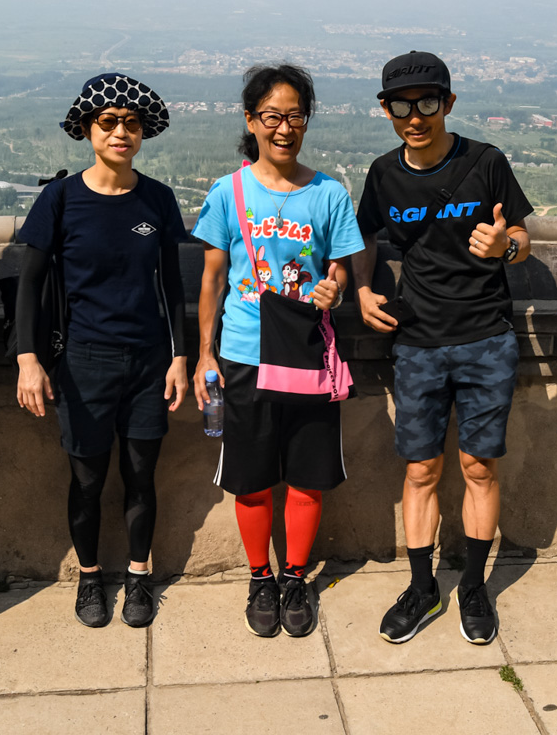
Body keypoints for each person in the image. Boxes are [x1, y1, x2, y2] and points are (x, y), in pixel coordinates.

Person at [352, 51, 533, 646]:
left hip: (486, 338)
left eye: (428, 102)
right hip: (419, 343)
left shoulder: (485, 162)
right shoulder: (383, 174)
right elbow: (365, 236)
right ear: (386, 110)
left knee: (479, 466)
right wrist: (359, 289)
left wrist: (505, 245)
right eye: (402, 105)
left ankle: (475, 585)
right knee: (421, 468)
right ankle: (423, 586)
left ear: (448, 103)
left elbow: (523, 240)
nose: (415, 115)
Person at [192, 65, 364, 638]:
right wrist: (204, 356)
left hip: (308, 352)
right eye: (273, 116)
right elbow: (212, 280)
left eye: (295, 116)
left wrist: (334, 284)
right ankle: (260, 577)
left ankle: (295, 576)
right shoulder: (229, 191)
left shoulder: (329, 192)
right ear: (251, 121)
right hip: (243, 354)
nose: (284, 127)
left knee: (309, 476)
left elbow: (340, 262)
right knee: (251, 477)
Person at [15, 73, 187, 629]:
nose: (121, 132)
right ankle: (90, 577)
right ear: (88, 129)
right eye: (108, 121)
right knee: (86, 481)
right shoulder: (60, 199)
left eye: (131, 124)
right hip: (81, 362)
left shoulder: (157, 199)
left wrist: (180, 355)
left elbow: (174, 287)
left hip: (147, 362)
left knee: (142, 476)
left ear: (143, 134)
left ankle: (139, 576)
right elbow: (29, 282)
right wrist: (27, 358)